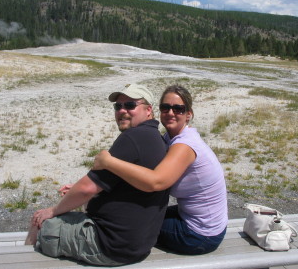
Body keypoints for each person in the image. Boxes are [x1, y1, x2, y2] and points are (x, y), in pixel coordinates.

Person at [25, 84, 169, 266]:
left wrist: (52, 211)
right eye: (118, 106)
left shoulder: (132, 138)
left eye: (130, 105)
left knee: (40, 220)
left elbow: (87, 188)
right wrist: (82, 192)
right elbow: (124, 187)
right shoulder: (154, 138)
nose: (122, 111)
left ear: (148, 110)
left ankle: (23, 261)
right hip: (138, 245)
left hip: (108, 245)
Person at [93, 85, 228, 255]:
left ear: (188, 114)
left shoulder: (184, 146)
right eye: (165, 107)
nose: (171, 113)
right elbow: (142, 170)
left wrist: (108, 162)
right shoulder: (170, 138)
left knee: (130, 226)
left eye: (178, 108)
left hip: (200, 235)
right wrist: (97, 185)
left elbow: (156, 181)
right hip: (202, 221)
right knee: (138, 212)